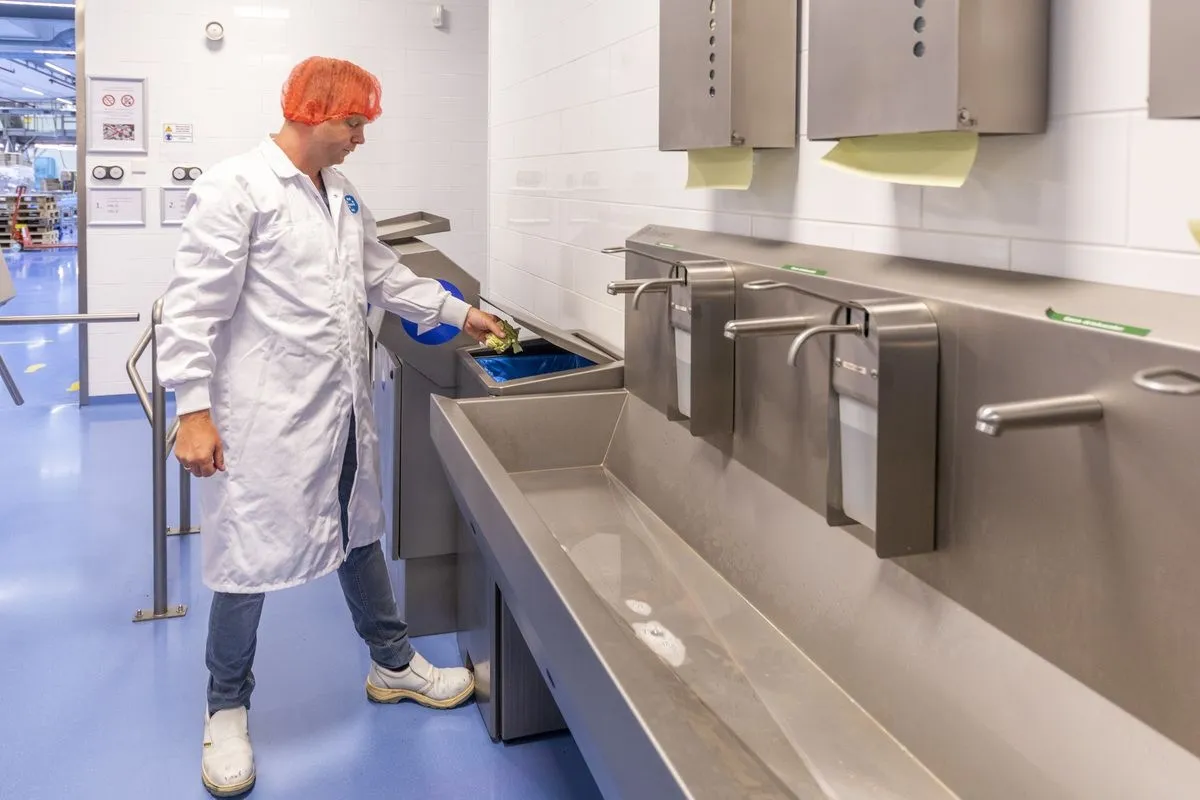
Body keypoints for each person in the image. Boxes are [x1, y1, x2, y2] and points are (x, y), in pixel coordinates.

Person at [154, 56, 506, 798]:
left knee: (359, 532)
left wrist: (456, 311)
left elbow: (385, 277)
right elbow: (191, 311)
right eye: (354, 123)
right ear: (315, 114)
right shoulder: (237, 189)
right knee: (245, 563)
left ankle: (392, 663)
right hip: (265, 421)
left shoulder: (339, 194)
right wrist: (192, 410)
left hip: (339, 413)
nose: (360, 138)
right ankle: (226, 709)